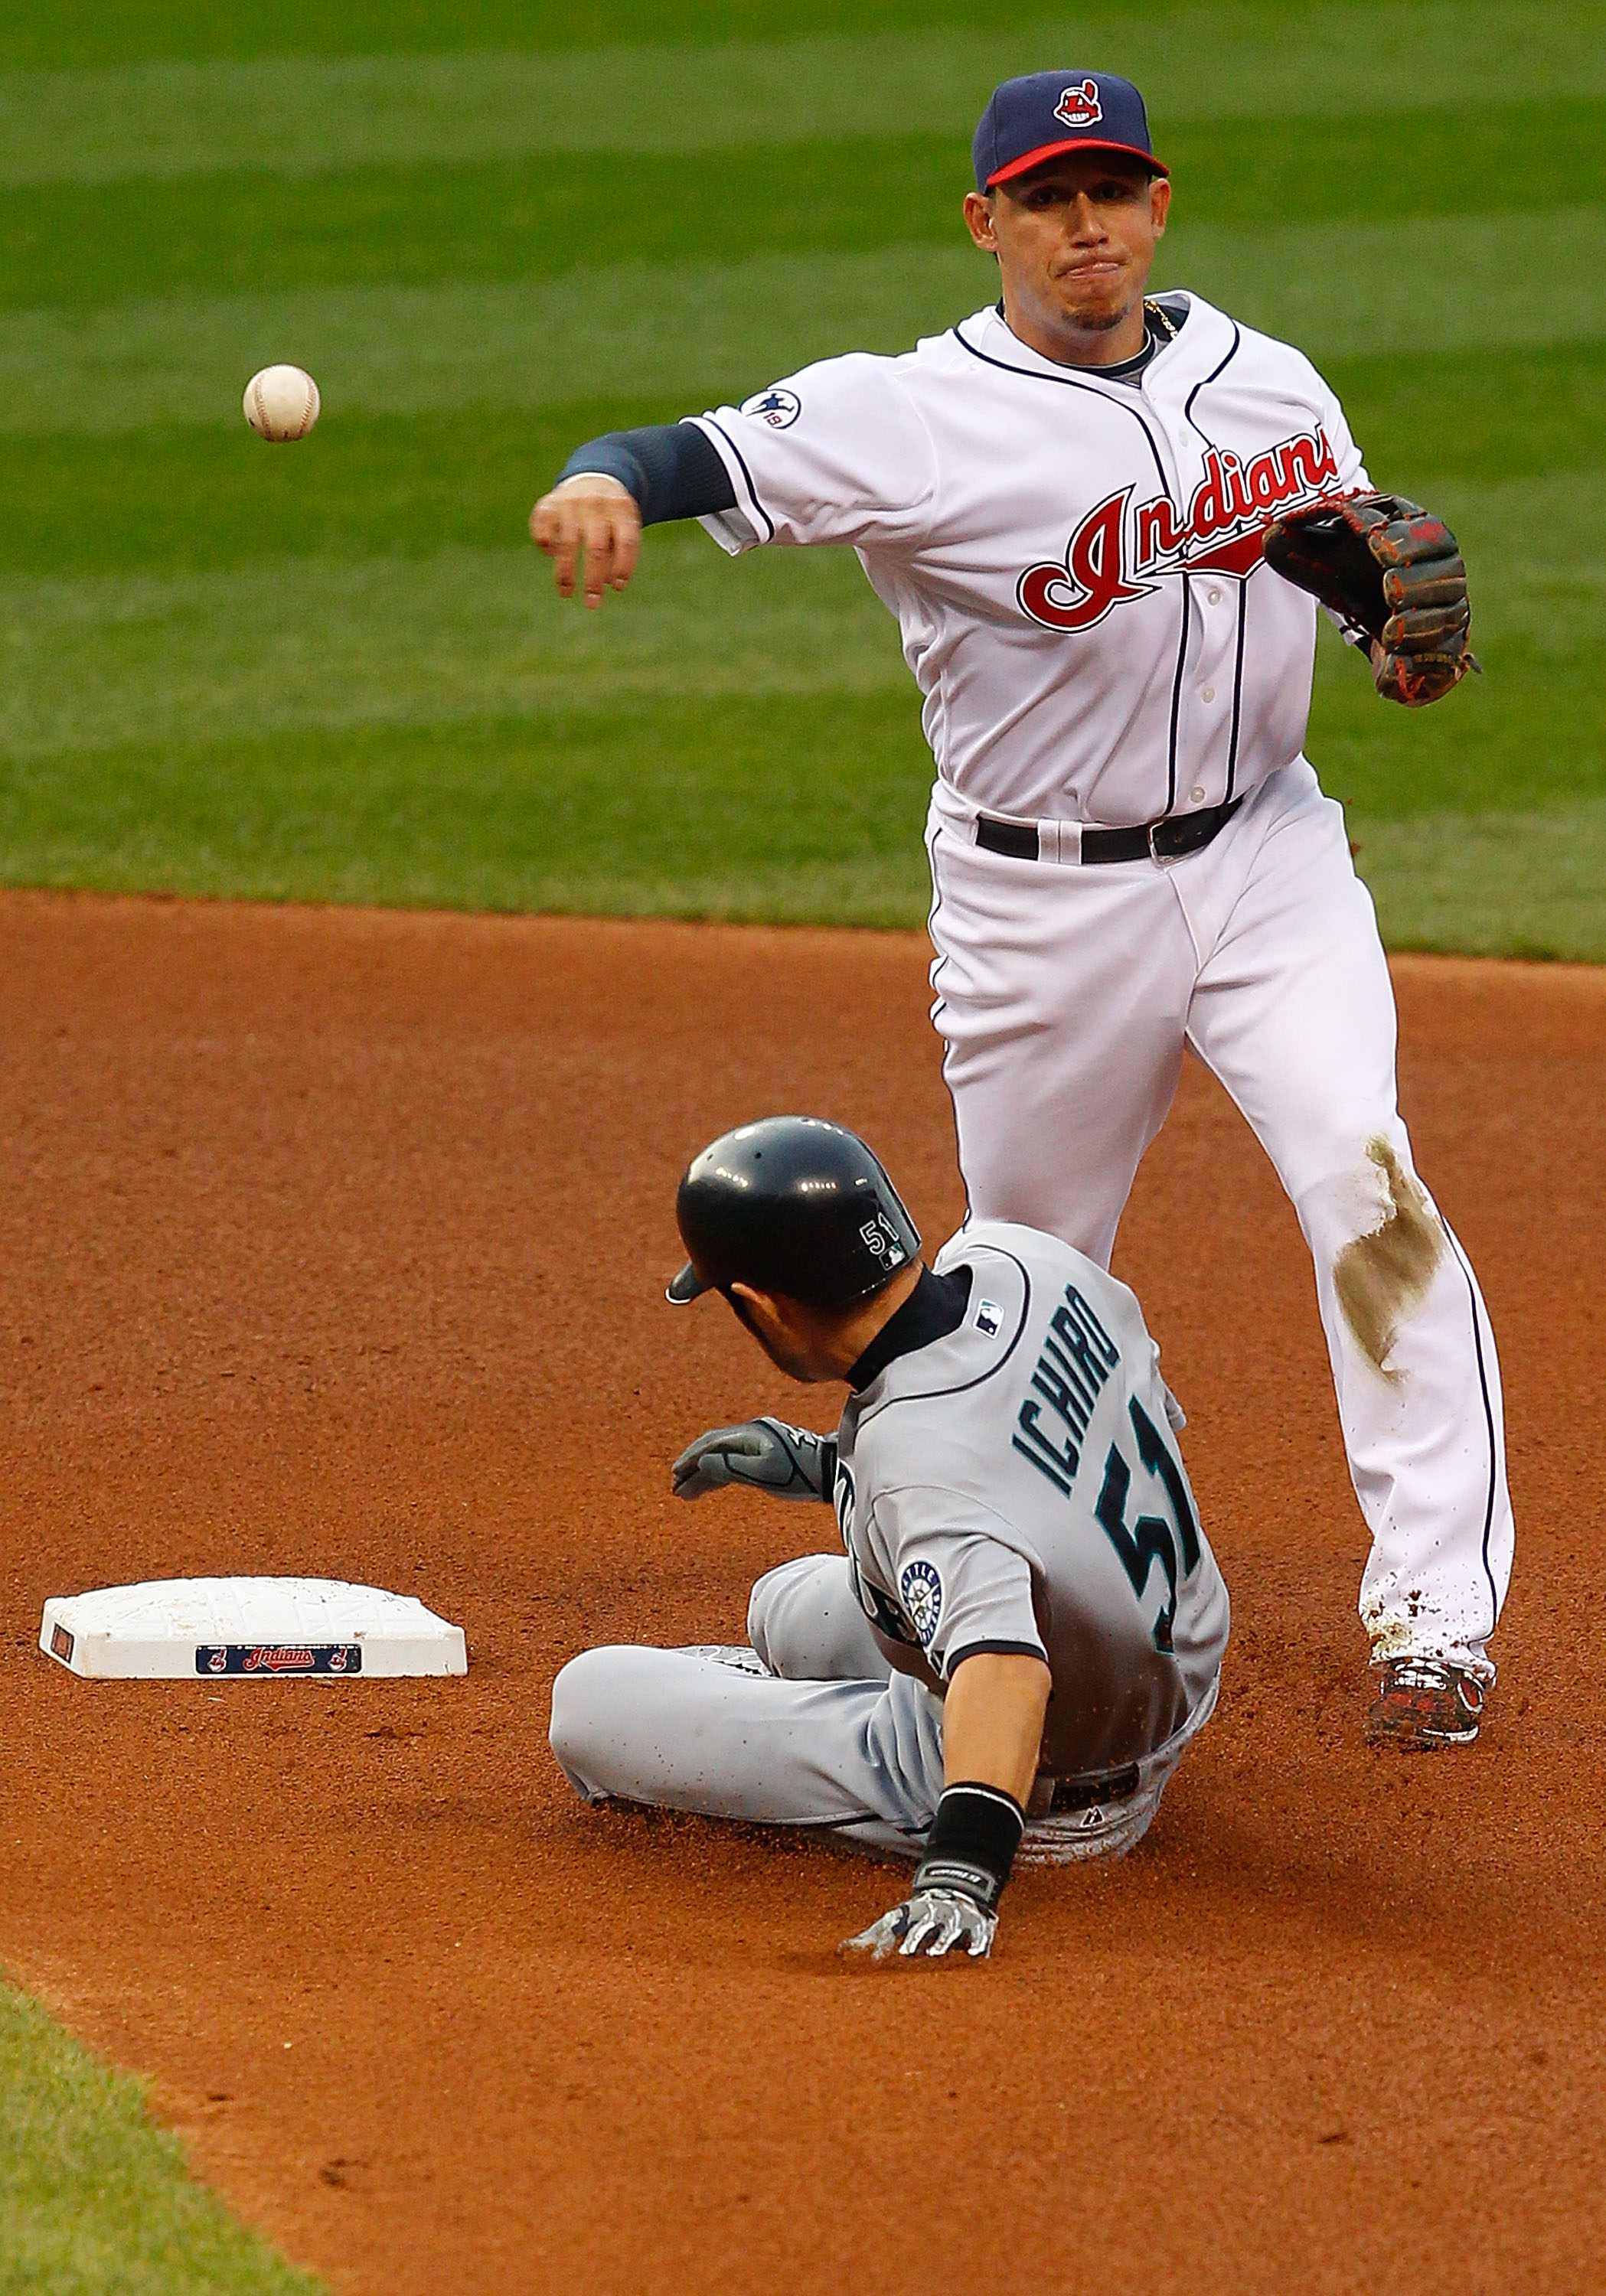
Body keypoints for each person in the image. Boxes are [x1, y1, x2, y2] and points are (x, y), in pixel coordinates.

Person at [530, 70, 1510, 1747]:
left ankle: (1433, 1617)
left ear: (1156, 206)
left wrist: (1386, 644)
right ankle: (977, 1595)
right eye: (1049, 198)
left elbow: (1353, 575)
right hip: (1036, 900)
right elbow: (682, 451)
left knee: (1365, 1174)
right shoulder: (906, 414)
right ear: (985, 221)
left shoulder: (1264, 378)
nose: (1087, 227)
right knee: (1025, 1291)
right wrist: (602, 482)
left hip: (1268, 859)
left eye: (1112, 192)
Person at [549, 1117, 1229, 1960]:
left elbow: (1006, 1670)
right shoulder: (1031, 1262)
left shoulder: (921, 1474)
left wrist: (962, 1873)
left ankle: (909, 1767)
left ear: (761, 1305)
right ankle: (814, 1695)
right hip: (1159, 1661)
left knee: (587, 1702)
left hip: (1052, 1768)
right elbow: (1060, 1452)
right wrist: (817, 1463)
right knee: (783, 1607)